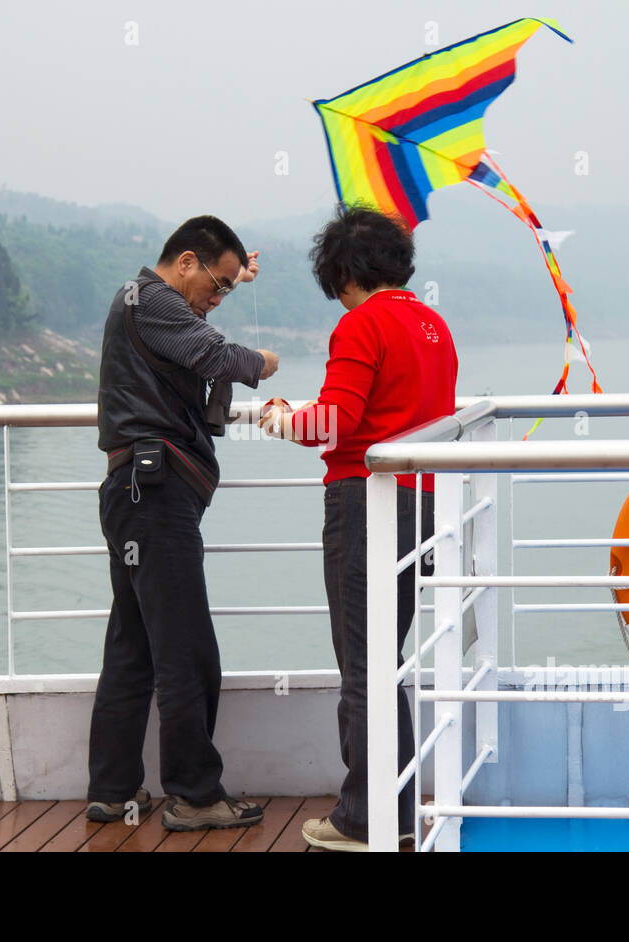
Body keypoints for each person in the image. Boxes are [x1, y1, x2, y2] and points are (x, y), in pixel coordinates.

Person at [259, 205, 458, 851]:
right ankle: (392, 810)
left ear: (344, 273)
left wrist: (282, 418)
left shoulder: (362, 324)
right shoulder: (434, 325)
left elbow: (337, 422)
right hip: (425, 501)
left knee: (364, 666)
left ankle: (364, 819)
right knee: (385, 662)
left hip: (366, 503)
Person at [89, 215, 280, 830]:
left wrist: (236, 282)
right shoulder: (151, 298)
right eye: (216, 284)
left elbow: (195, 329)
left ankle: (114, 790)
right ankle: (196, 795)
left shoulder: (150, 303)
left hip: (135, 491)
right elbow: (212, 352)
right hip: (157, 495)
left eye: (228, 289)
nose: (218, 298)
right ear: (188, 261)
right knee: (186, 649)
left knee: (134, 644)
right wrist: (264, 361)